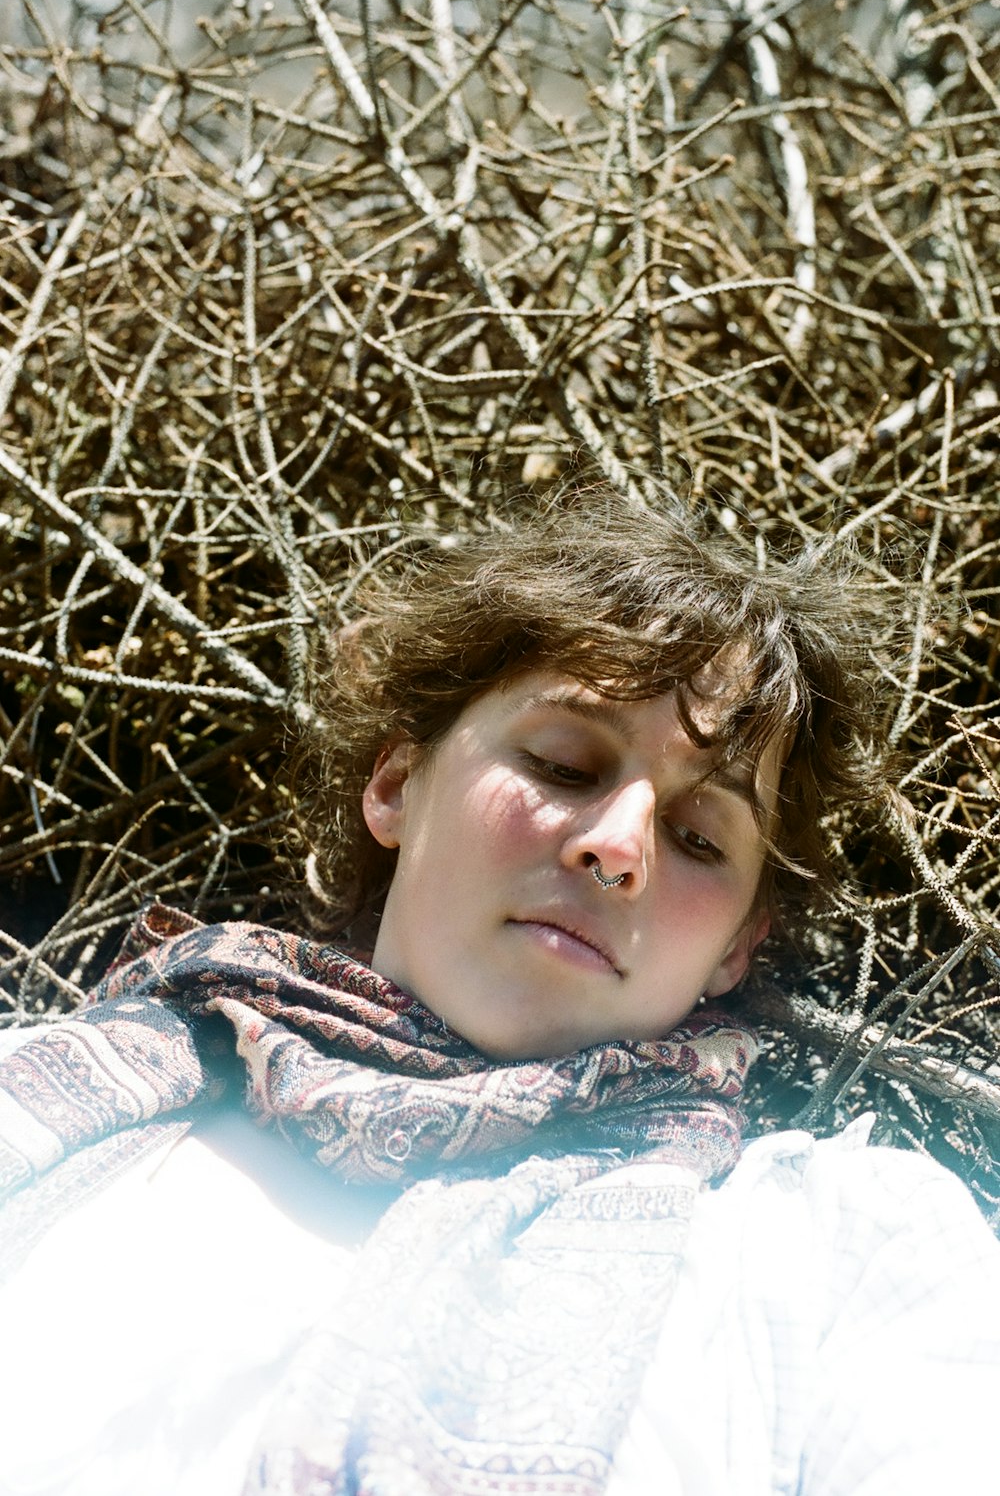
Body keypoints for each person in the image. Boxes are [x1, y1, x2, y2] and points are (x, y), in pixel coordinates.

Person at [0, 497, 997, 1496]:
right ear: (395, 783)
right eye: (563, 764)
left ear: (738, 943)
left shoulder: (838, 1253)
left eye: (698, 837)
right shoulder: (47, 1100)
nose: (615, 847)